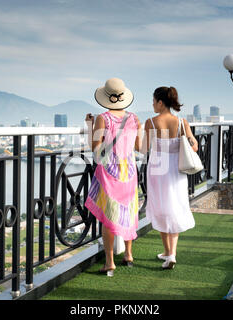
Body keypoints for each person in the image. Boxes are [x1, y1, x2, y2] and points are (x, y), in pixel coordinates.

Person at [84, 78, 142, 276]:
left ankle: (109, 262)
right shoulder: (134, 118)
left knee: (109, 216)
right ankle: (128, 254)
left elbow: (95, 147)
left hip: (110, 173)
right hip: (129, 172)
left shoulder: (103, 118)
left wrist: (90, 126)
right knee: (128, 212)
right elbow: (138, 146)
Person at [143, 86, 198, 269]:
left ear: (160, 102)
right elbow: (194, 146)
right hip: (176, 169)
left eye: (153, 101)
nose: (152, 104)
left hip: (158, 169)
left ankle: (167, 252)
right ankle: (171, 254)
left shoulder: (151, 122)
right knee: (174, 207)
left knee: (161, 209)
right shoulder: (182, 122)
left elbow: (142, 148)